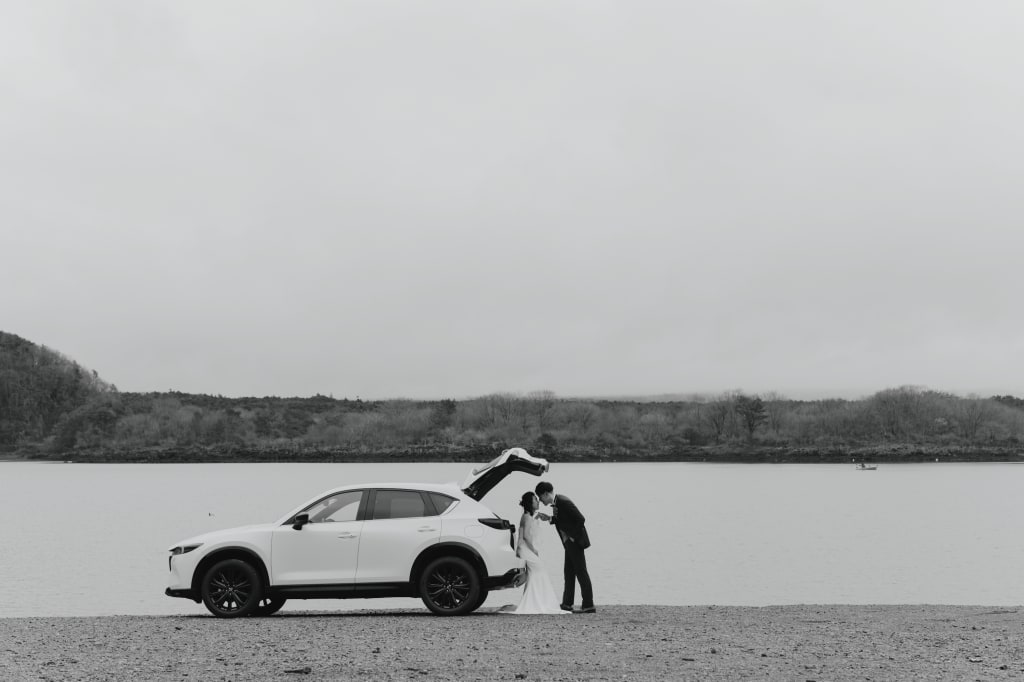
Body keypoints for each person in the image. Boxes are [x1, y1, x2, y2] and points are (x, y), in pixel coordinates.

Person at [501, 492, 568, 615]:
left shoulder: (529, 516)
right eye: (535, 500)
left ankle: (536, 601)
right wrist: (534, 550)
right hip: (525, 548)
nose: (538, 502)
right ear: (529, 503)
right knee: (539, 570)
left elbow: (531, 526)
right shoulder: (526, 517)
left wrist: (544, 518)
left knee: (534, 573)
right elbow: (526, 536)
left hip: (526, 548)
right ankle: (537, 602)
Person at [535, 481, 595, 613]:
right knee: (568, 572)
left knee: (581, 571)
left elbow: (581, 519)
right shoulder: (557, 502)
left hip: (574, 542)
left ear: (545, 494)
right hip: (568, 543)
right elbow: (563, 520)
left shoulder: (563, 501)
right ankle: (567, 604)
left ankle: (588, 604)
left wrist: (572, 537)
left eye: (540, 497)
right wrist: (549, 518)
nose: (540, 501)